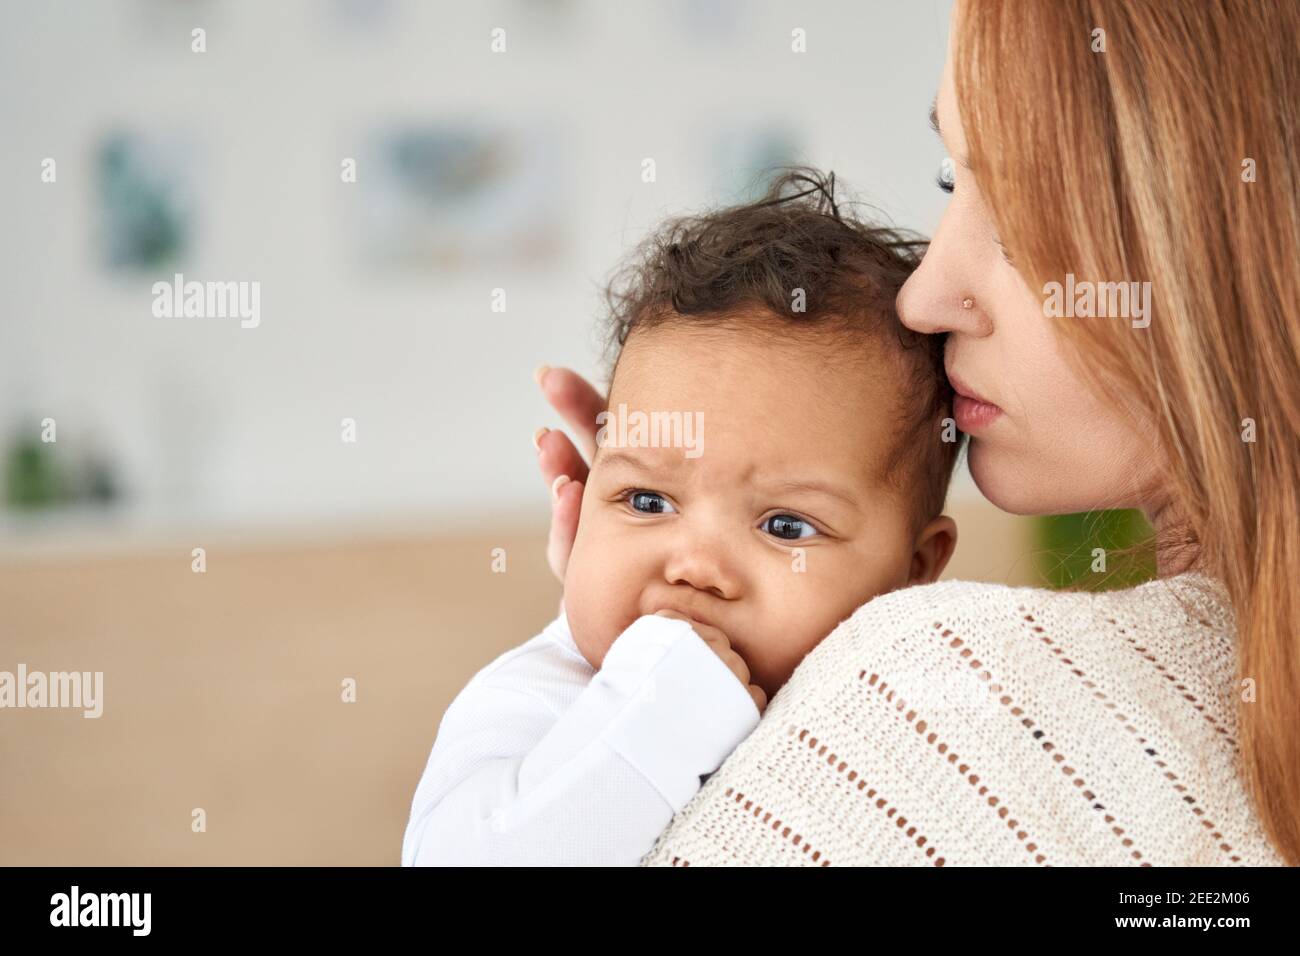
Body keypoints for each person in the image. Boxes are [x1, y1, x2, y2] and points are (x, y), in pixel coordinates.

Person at [534, 0, 1298, 865]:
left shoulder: (930, 694)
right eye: (950, 182)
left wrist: (595, 656)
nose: (925, 296)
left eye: (1020, 220)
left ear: (1236, 246)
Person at [402, 173, 962, 865]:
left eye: (785, 526)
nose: (695, 565)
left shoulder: (916, 720)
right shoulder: (539, 698)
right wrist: (664, 702)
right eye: (646, 502)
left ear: (915, 571)